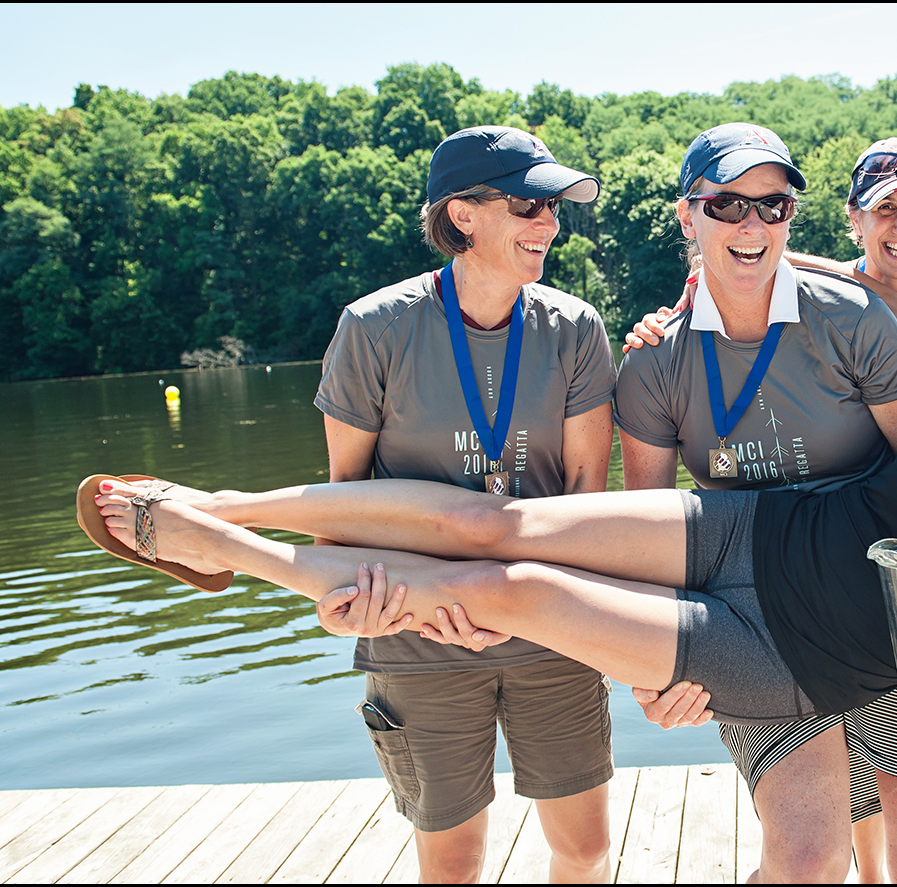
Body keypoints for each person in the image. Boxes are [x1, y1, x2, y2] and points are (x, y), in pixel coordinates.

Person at [83, 288, 897, 885]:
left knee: (508, 587)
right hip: (748, 527)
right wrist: (721, 278)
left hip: (778, 662)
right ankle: (230, 502)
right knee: (496, 521)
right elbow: (886, 302)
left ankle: (239, 554)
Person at [626, 135, 897, 882]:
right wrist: (653, 666)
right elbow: (642, 531)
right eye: (726, 204)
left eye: (773, 206)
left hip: (880, 612)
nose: (751, 224)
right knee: (808, 860)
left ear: (794, 217)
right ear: (689, 217)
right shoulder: (655, 359)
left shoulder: (861, 316)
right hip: (757, 617)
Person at [312, 125, 617, 884]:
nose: (548, 222)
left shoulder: (576, 329)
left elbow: (587, 501)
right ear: (463, 214)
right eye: (526, 204)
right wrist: (396, 605)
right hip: (416, 632)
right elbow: (340, 504)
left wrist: (515, 602)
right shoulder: (372, 327)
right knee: (453, 865)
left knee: (584, 848)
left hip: (551, 623)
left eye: (553, 207)